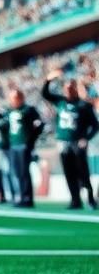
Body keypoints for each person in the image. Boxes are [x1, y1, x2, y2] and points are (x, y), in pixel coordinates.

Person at [42, 70, 99, 209]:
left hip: (77, 142)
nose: (68, 90)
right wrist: (48, 80)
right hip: (63, 142)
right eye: (66, 88)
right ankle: (75, 200)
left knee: (82, 171)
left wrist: (86, 138)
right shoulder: (60, 101)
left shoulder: (84, 106)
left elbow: (95, 125)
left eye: (71, 88)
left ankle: (90, 198)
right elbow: (45, 94)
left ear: (75, 89)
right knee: (69, 172)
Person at [0, 88, 44, 207]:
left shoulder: (28, 110)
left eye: (15, 98)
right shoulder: (10, 112)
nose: (13, 101)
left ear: (21, 98)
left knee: (24, 172)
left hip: (23, 145)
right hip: (13, 145)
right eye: (11, 98)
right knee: (17, 172)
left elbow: (39, 125)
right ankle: (20, 196)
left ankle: (27, 198)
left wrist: (30, 141)